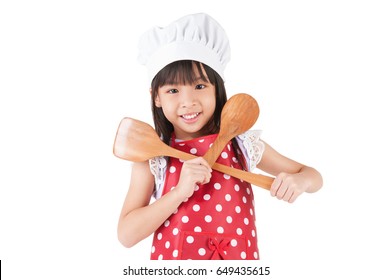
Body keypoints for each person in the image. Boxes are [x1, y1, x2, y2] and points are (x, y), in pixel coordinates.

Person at [117, 13, 322, 260]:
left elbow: (312, 175)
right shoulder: (153, 156)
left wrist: (299, 182)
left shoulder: (242, 144)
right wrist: (179, 192)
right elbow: (126, 235)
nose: (188, 102)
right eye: (173, 90)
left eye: (200, 86)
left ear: (218, 89)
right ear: (156, 97)